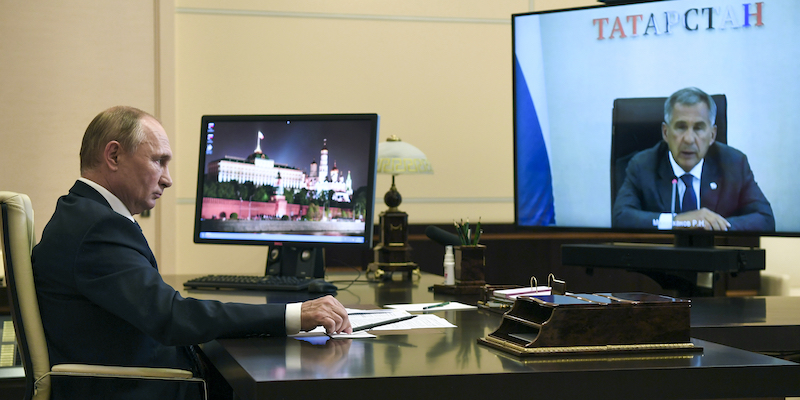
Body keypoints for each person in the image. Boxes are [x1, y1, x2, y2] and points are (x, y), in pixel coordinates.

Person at [31, 106, 352, 400]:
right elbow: (171, 317)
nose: (168, 179)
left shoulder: (84, 215)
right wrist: (295, 314)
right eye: (159, 161)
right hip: (145, 389)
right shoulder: (97, 229)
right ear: (113, 156)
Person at [612, 87, 774, 232]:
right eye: (681, 127)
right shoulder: (643, 165)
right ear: (666, 132)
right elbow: (621, 217)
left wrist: (715, 225)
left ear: (712, 135)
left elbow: (765, 219)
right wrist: (677, 222)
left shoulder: (734, 164)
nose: (689, 139)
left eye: (698, 128)